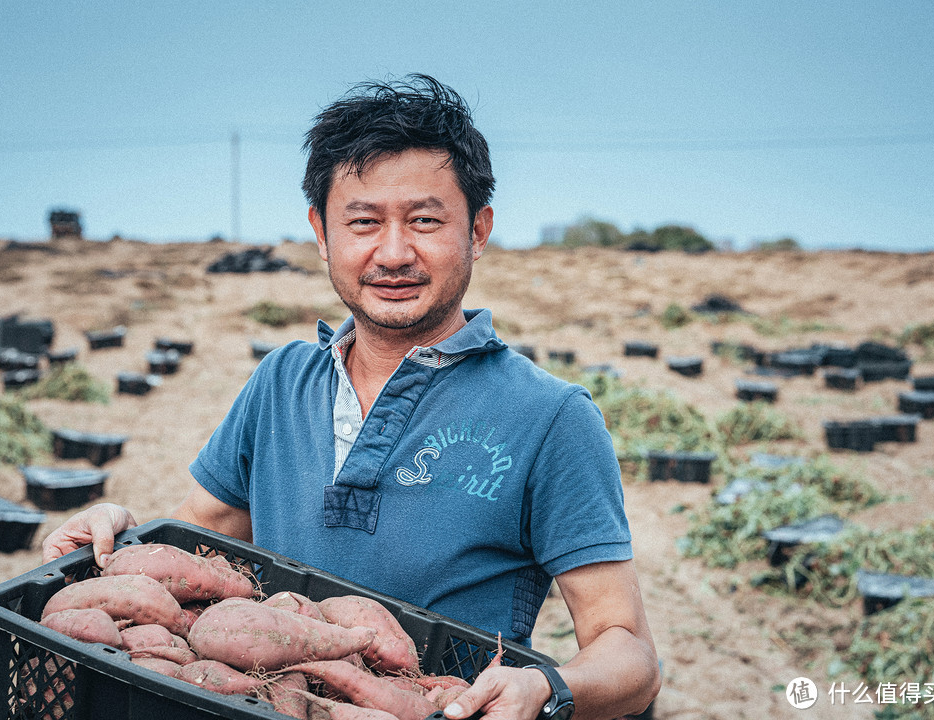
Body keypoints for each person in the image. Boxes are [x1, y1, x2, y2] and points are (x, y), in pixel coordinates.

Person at [42, 74, 660, 720]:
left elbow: (631, 657)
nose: (393, 253)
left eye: (425, 220)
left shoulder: (550, 417)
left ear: (478, 231)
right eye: (363, 222)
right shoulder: (281, 381)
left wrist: (548, 687)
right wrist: (119, 537)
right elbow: (197, 542)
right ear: (322, 232)